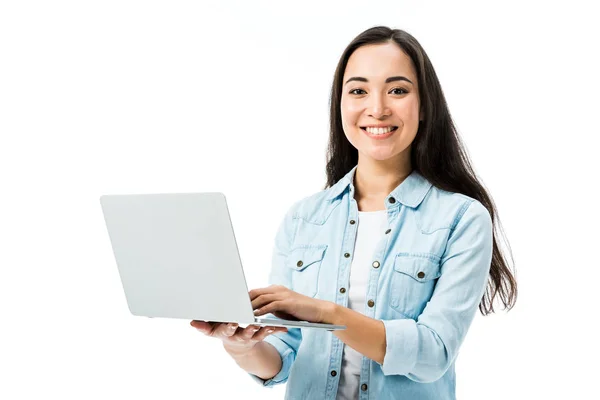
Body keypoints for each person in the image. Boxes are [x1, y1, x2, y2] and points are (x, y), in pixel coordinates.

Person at [191, 25, 517, 400]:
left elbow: (433, 353)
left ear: (424, 105)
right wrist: (241, 345)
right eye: (358, 90)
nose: (376, 108)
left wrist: (327, 313)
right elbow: (284, 356)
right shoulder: (303, 219)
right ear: (340, 104)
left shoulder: (462, 219)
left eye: (397, 90)